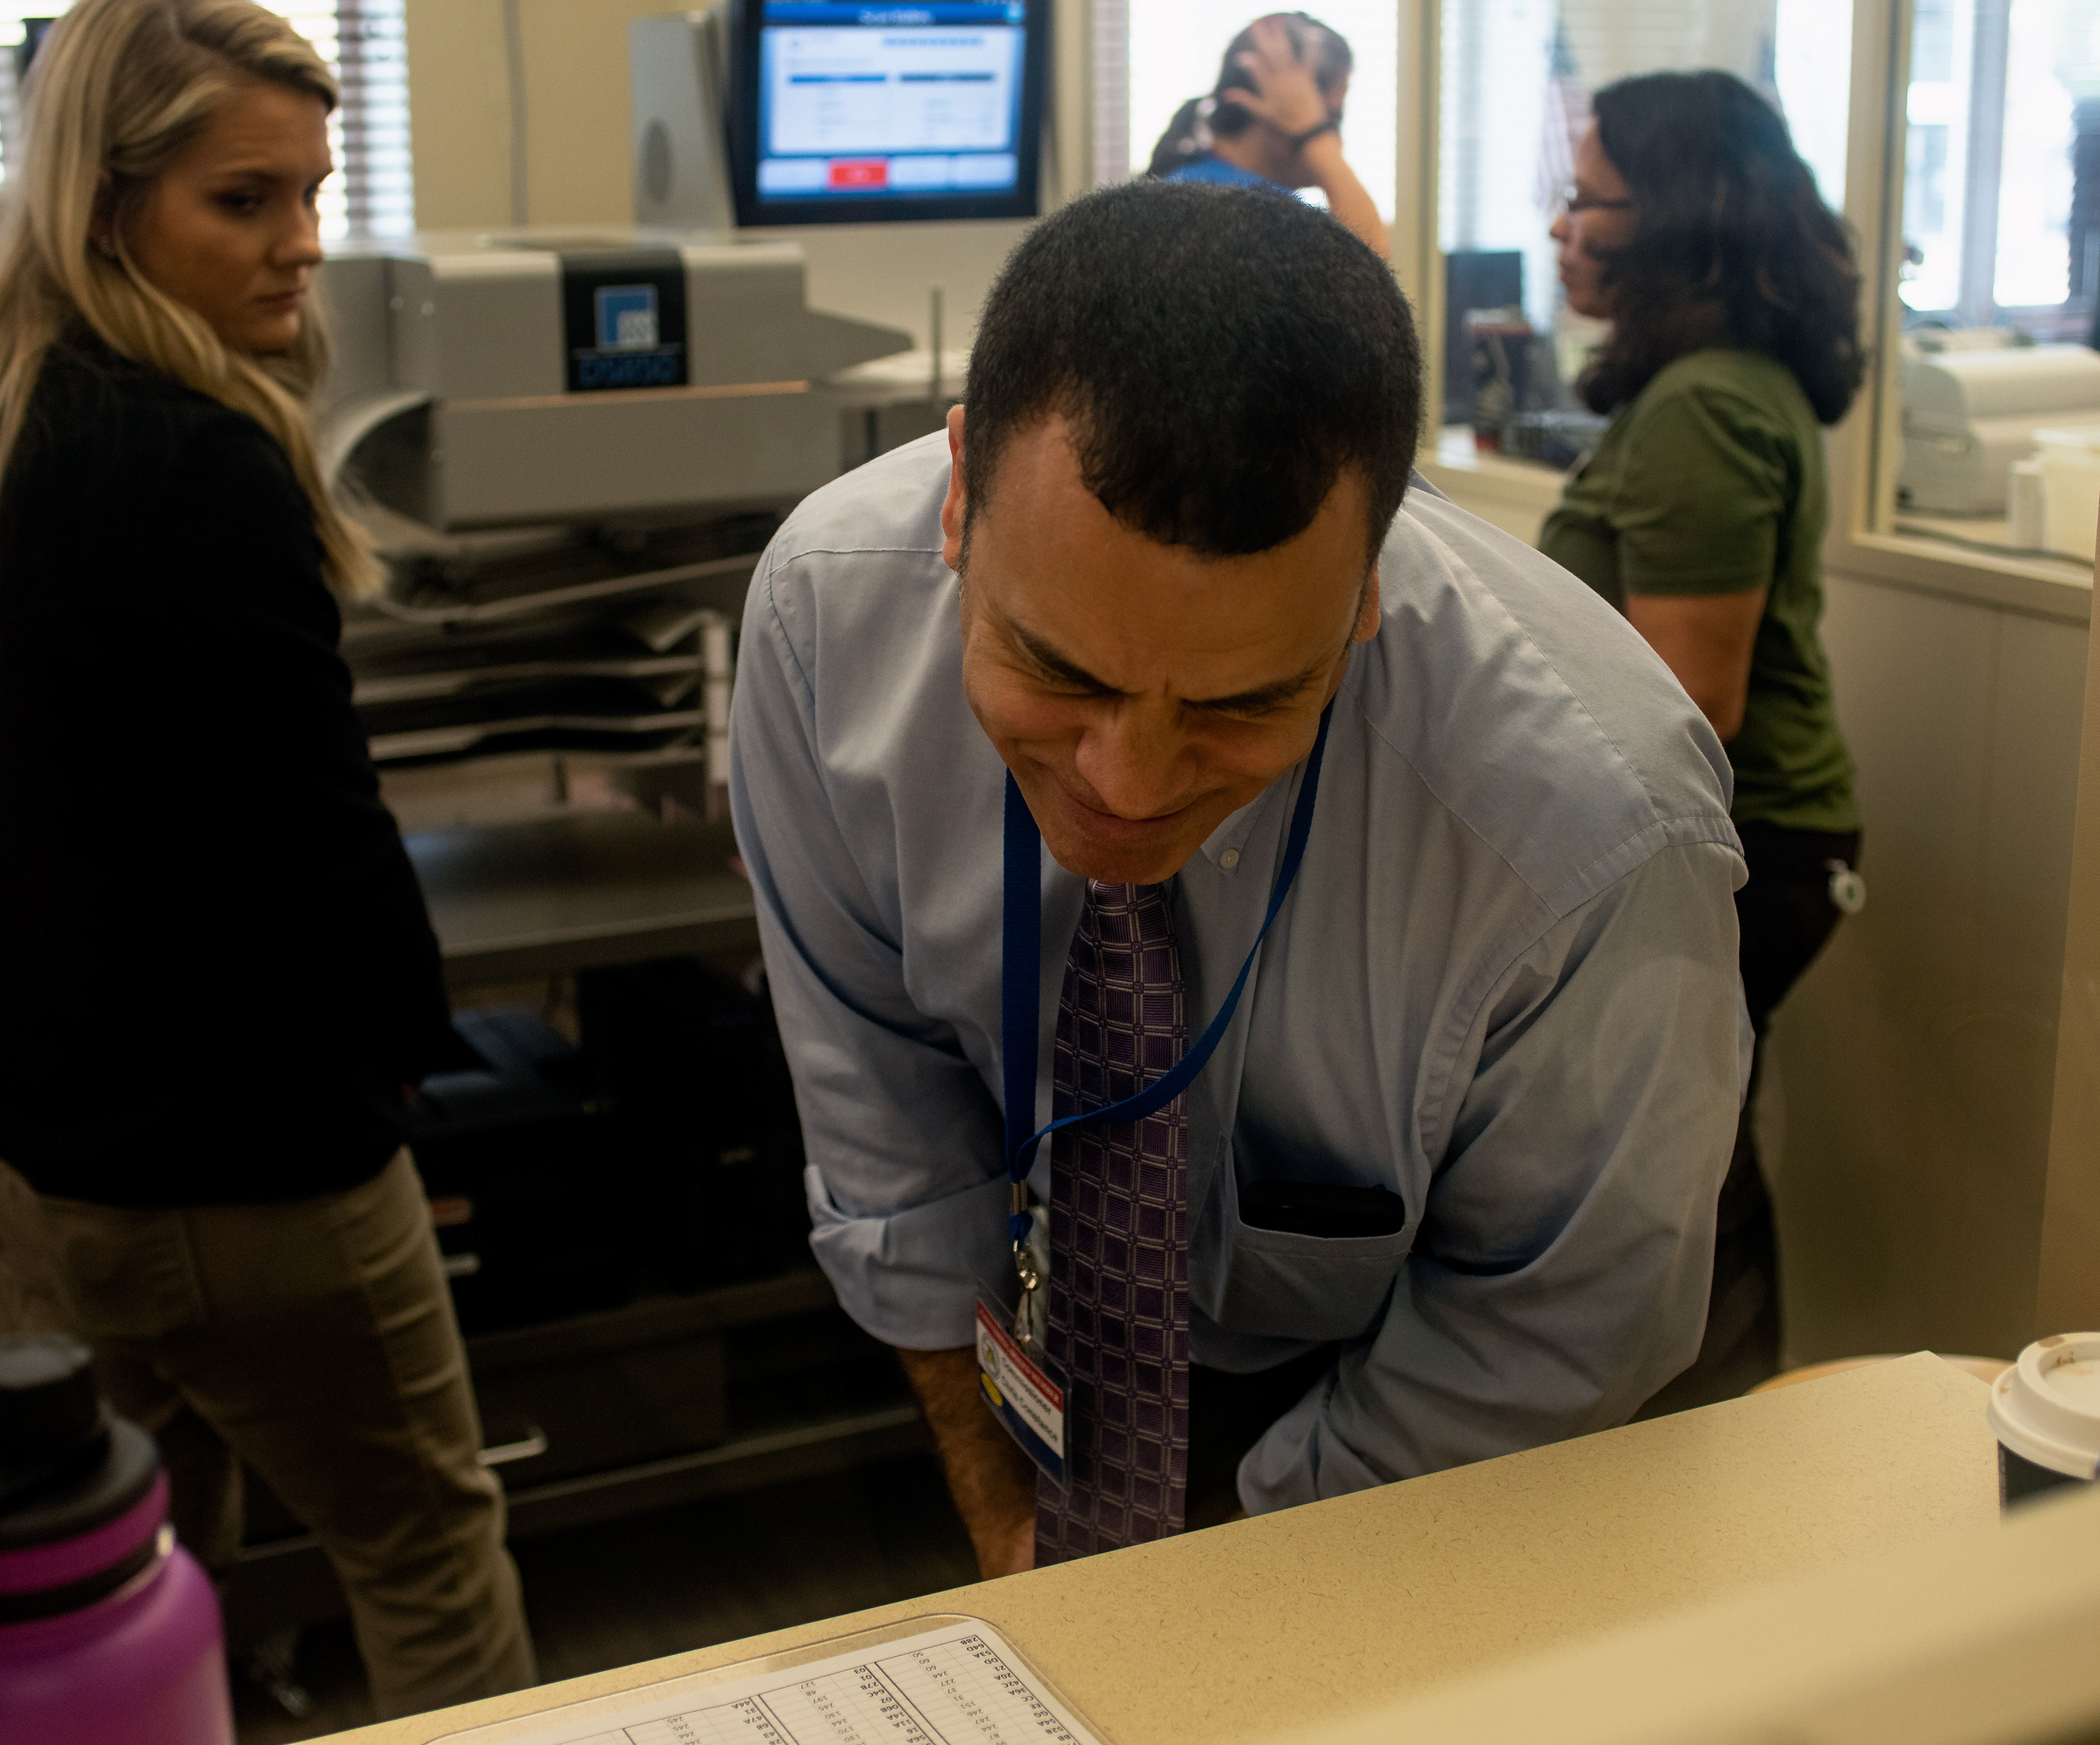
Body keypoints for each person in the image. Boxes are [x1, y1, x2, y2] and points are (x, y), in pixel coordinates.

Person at [730, 181, 1749, 1578]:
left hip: (1459, 1426)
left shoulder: (1589, 829)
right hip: (1042, 1339)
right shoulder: (823, 624)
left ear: (1370, 585)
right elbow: (888, 1128)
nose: (1129, 784)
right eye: (1057, 671)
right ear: (962, 492)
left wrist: (1206, 1611)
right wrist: (1002, 1517)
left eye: (1244, 704)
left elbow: (1547, 1329)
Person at [0, 0, 533, 1711]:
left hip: (20, 1130)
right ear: (108, 204)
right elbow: (317, 827)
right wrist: (409, 1066)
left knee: (136, 1562)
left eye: (311, 193)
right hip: (227, 1157)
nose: (301, 245)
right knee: (423, 1542)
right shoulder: (192, 455)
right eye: (242, 201)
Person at [1538, 71, 1867, 1412]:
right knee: (1697, 1153)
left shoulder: (1705, 408)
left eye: (1589, 199)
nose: (1563, 228)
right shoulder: (1708, 386)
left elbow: (1688, 711)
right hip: (1759, 835)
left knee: (1686, 1171)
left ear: (1672, 221)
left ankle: (1712, 1462)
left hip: (1756, 842)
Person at [1145, 14, 1389, 257]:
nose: (1336, 142)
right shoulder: (1247, 213)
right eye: (1332, 118)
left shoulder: (1191, 182)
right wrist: (1313, 134)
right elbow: (1369, 269)